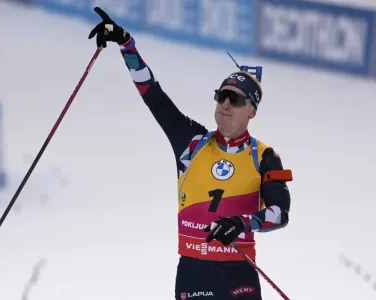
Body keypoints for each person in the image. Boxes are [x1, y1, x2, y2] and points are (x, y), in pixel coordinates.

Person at [88, 7, 293, 300]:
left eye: (234, 99)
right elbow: (152, 93)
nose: (225, 104)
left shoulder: (265, 157)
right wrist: (126, 45)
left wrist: (241, 223)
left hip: (239, 272)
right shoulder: (192, 143)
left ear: (252, 111)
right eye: (221, 95)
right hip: (193, 272)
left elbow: (280, 214)